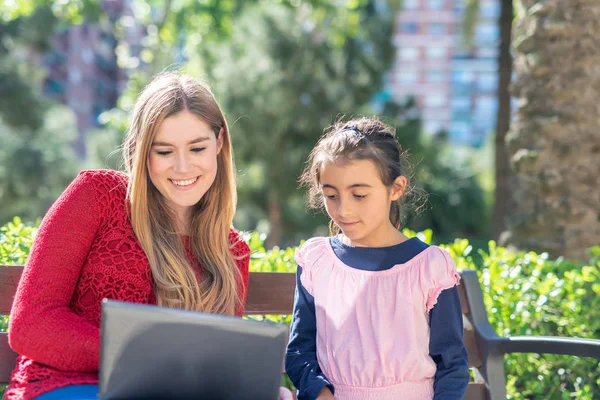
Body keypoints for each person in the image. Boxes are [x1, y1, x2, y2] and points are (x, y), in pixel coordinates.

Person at [6, 72, 293, 400]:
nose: (183, 167)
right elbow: (32, 324)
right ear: (142, 151)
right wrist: (146, 361)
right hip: (64, 387)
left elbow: (215, 368)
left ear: (220, 143)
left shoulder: (231, 251)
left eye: (197, 148)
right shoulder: (97, 195)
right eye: (164, 151)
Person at [285, 117, 470, 400]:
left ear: (395, 189)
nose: (343, 210)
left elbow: (452, 365)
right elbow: (299, 352)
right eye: (331, 195)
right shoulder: (316, 262)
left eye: (359, 195)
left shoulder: (429, 268)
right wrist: (321, 394)